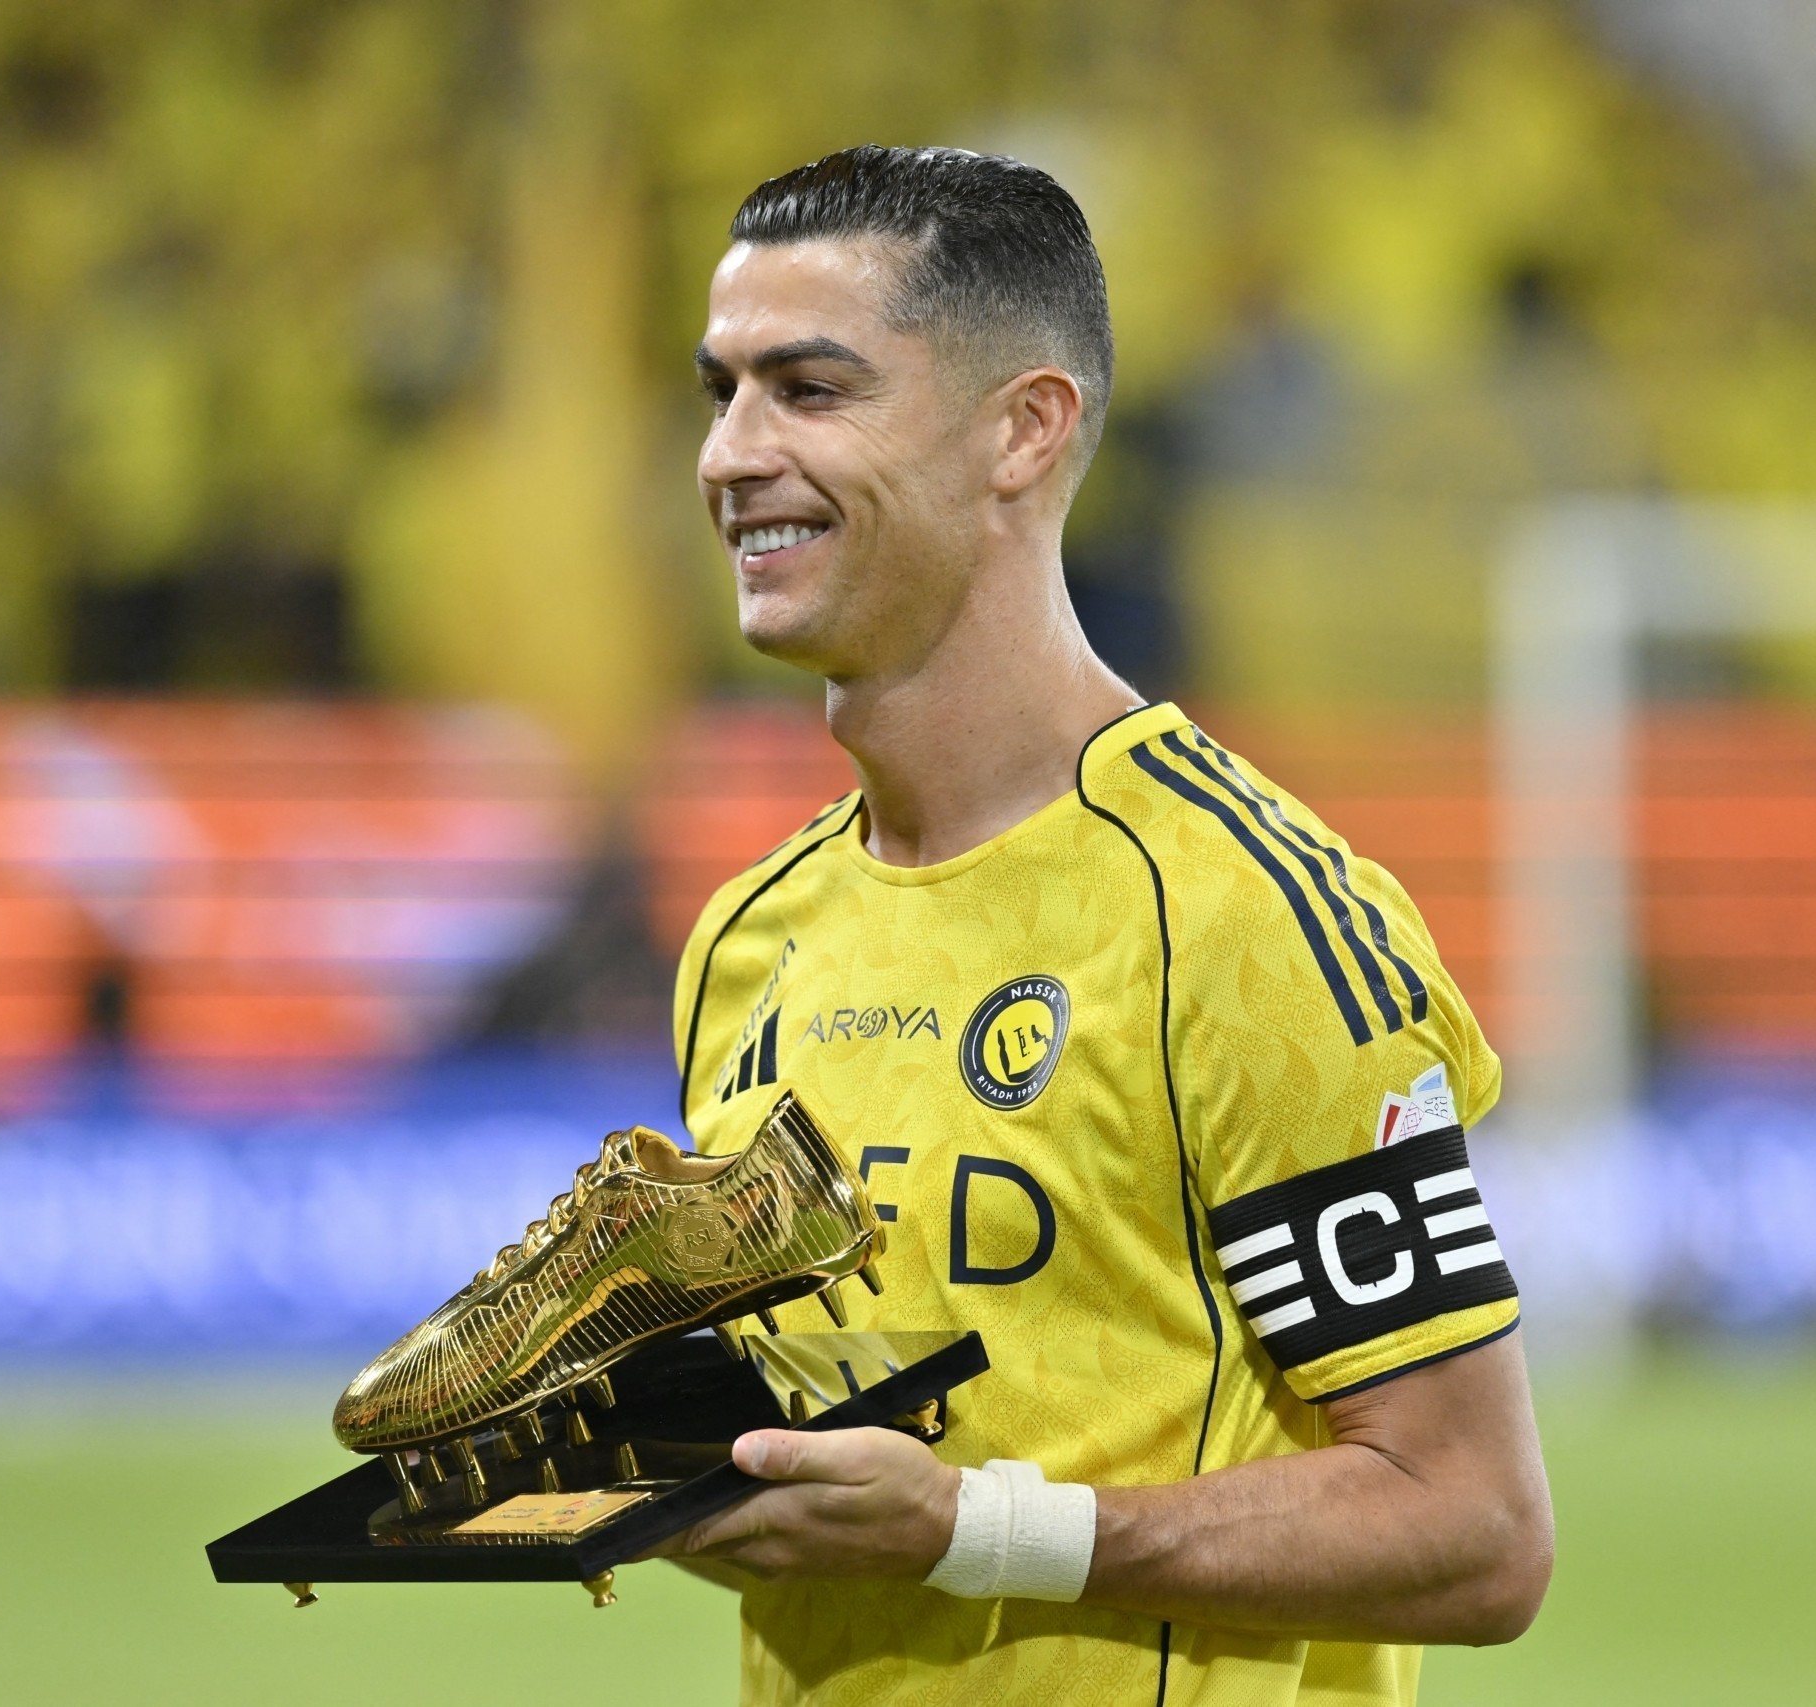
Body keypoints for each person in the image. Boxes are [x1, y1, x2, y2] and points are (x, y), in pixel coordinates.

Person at [660, 146, 1551, 1706]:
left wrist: (980, 1533)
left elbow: (1472, 1527)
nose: (732, 453)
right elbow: (851, 1482)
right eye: (721, 392)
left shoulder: (1239, 921)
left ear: (1024, 429)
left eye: (807, 389)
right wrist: (677, 1476)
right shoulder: (750, 939)